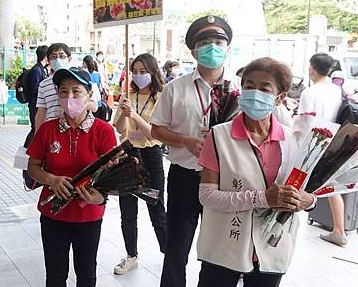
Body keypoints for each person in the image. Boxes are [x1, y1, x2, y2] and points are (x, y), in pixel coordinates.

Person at [196, 57, 317, 287]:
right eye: (249, 86)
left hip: (271, 245)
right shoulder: (220, 136)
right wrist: (262, 198)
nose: (254, 93)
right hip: (225, 244)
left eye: (264, 88)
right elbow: (207, 195)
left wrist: (307, 201)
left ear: (280, 98)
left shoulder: (293, 140)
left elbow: (311, 193)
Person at [151, 15, 240, 287]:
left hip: (224, 182)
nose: (212, 47)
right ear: (193, 50)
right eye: (204, 42)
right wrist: (185, 141)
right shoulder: (175, 88)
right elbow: (156, 130)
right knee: (177, 248)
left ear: (227, 48)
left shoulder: (239, 90)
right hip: (185, 177)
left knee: (216, 249)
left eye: (218, 41)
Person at [27, 67, 117, 287]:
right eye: (64, 92)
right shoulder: (47, 130)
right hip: (53, 215)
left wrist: (100, 197)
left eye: (76, 92)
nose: (69, 98)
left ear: (89, 95)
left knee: (86, 273)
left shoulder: (103, 131)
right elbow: (33, 167)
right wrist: (51, 180)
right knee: (55, 274)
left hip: (88, 215)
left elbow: (113, 176)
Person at [112, 53, 167, 274]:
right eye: (135, 71)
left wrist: (134, 115)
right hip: (127, 155)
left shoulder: (161, 97)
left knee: (156, 207)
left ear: (153, 72)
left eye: (143, 71)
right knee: (127, 211)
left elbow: (156, 133)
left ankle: (169, 252)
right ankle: (131, 255)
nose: (138, 75)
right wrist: (125, 113)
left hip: (151, 156)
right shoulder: (127, 95)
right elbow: (118, 128)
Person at [298, 53, 347, 247]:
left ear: (312, 68)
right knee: (331, 186)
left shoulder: (310, 93)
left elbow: (304, 122)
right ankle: (339, 229)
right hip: (336, 142)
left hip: (315, 143)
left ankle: (282, 220)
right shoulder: (338, 90)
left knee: (298, 182)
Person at [34, 43, 97, 133]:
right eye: (53, 57)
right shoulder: (43, 84)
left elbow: (94, 106)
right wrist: (37, 135)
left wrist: (76, 105)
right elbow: (41, 112)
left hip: (79, 128)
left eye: (61, 56)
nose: (57, 59)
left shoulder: (81, 79)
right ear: (48, 60)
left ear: (69, 58)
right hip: (53, 131)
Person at [24, 45, 49, 146]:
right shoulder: (36, 70)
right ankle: (26, 148)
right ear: (46, 56)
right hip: (35, 104)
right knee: (35, 128)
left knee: (36, 128)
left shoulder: (41, 69)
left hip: (37, 104)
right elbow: (34, 88)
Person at [83, 55, 108, 121]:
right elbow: (100, 88)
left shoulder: (84, 74)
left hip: (89, 103)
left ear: (85, 63)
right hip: (98, 101)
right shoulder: (97, 74)